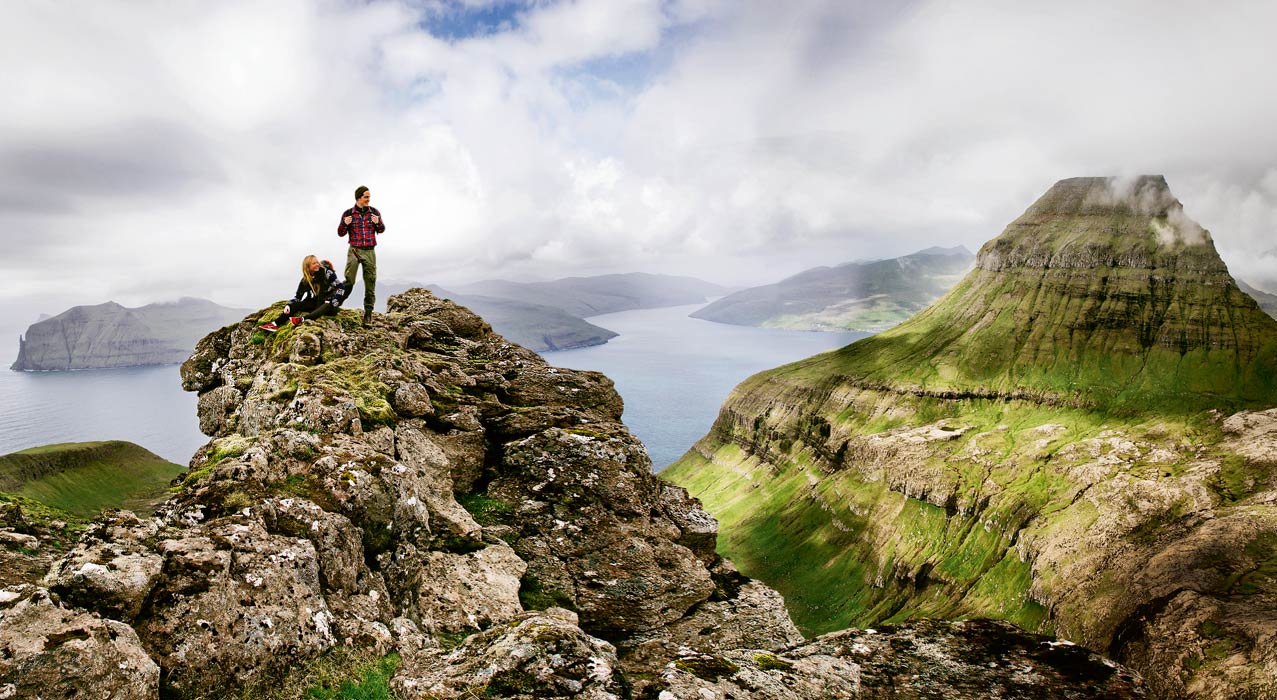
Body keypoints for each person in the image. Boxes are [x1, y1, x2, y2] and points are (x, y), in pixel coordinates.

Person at [259, 255, 346, 333]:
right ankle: (274, 324)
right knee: (295, 305)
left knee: (326, 304)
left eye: (317, 262)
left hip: (329, 305)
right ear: (308, 267)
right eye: (314, 263)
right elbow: (298, 297)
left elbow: (341, 287)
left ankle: (302, 319)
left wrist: (334, 301)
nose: (317, 264)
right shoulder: (305, 280)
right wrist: (288, 305)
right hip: (316, 304)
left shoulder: (327, 272)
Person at [338, 185, 385, 326]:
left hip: (370, 251)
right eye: (366, 197)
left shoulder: (374, 212)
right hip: (354, 250)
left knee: (370, 282)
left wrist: (378, 224)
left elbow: (382, 229)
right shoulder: (348, 214)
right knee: (349, 281)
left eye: (369, 197)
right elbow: (340, 233)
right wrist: (345, 224)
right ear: (359, 198)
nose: (368, 199)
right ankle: (334, 304)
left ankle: (368, 315)